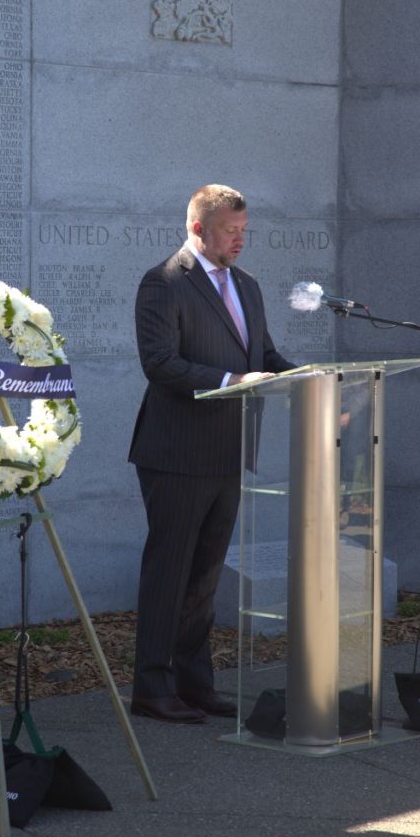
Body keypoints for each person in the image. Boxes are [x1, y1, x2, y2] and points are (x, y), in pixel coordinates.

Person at [128, 184, 296, 723]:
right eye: (231, 230)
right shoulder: (164, 282)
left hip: (228, 451)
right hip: (177, 451)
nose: (241, 239)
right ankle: (152, 688)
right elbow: (160, 363)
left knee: (203, 577)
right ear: (199, 228)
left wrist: (311, 382)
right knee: (169, 573)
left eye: (244, 230)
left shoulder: (246, 285)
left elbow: (263, 355)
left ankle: (194, 684)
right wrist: (233, 379)